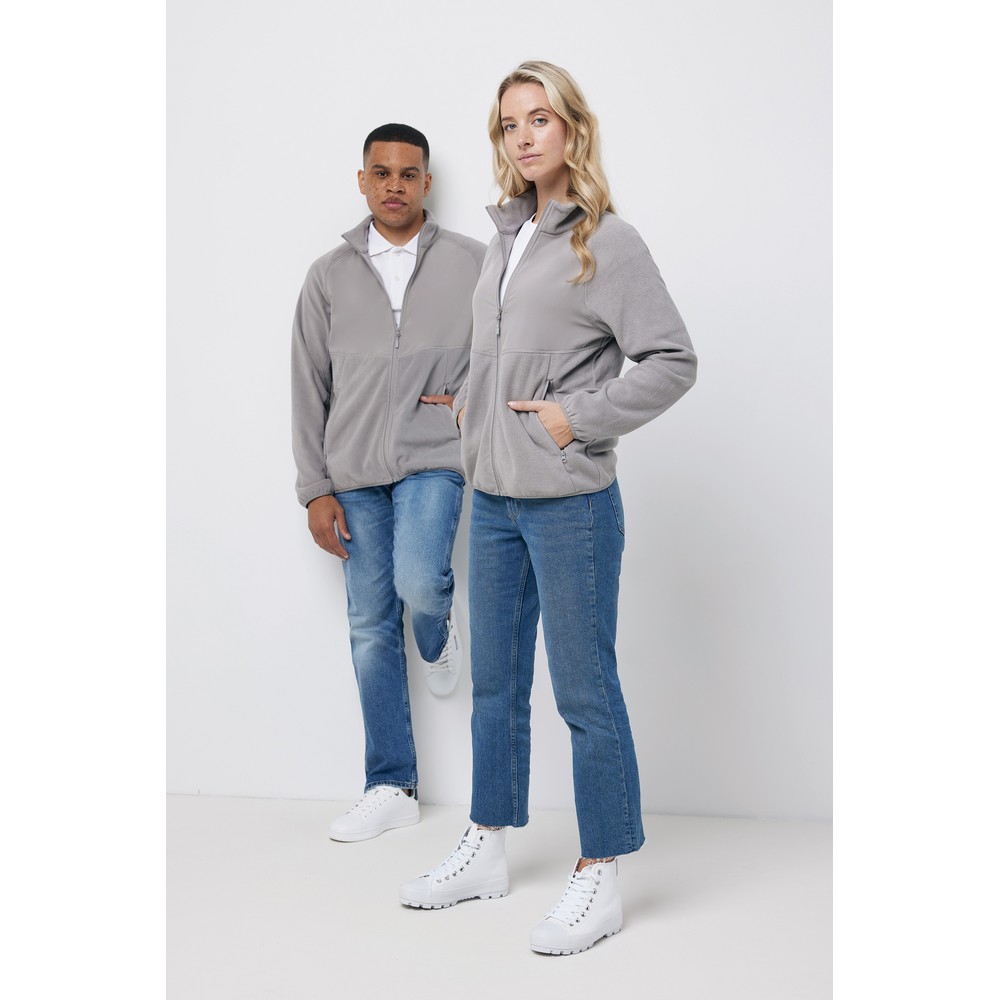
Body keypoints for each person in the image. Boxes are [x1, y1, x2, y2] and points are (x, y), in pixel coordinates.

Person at [398, 63, 697, 953]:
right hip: (493, 500)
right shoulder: (507, 238)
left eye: (539, 119)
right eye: (508, 125)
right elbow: (514, 349)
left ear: (572, 129)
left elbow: (672, 360)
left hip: (570, 505)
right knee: (495, 685)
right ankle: (487, 845)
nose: (523, 137)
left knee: (584, 691)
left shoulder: (609, 243)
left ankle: (600, 871)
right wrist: (475, 402)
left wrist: (577, 419)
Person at [291, 123, 486, 842]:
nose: (395, 185)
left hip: (436, 457)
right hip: (353, 471)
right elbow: (307, 384)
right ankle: (391, 784)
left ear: (426, 182)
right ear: (363, 181)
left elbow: (504, 351)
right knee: (370, 627)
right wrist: (314, 487)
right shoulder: (328, 275)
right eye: (382, 173)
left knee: (420, 581)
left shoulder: (472, 261)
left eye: (408, 174)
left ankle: (438, 632)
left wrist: (466, 403)